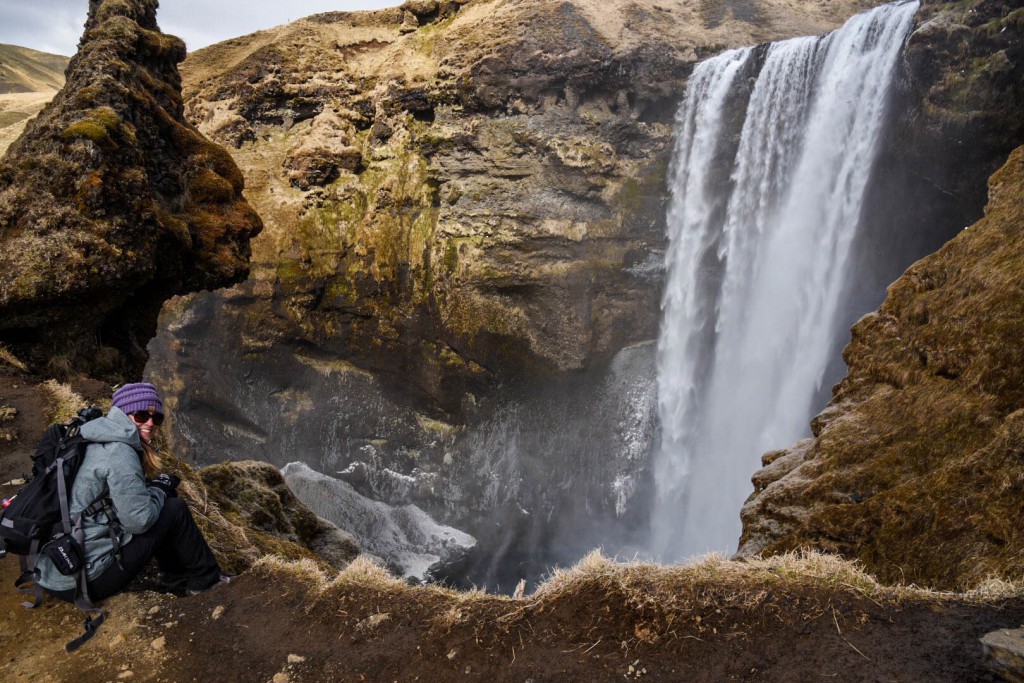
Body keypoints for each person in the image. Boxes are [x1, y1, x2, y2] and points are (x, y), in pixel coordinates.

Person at [36, 382, 230, 601]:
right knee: (174, 509)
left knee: (165, 501)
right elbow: (138, 522)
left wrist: (157, 489)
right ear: (123, 415)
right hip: (84, 579)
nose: (150, 424)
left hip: (56, 567)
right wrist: (160, 489)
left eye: (156, 418)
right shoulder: (120, 454)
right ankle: (207, 582)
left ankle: (174, 578)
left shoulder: (93, 437)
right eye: (140, 416)